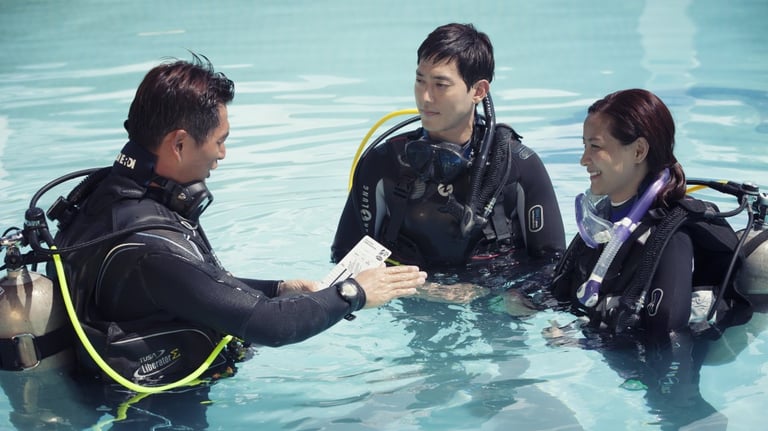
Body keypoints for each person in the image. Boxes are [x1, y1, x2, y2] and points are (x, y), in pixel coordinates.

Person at [43, 54, 426, 388]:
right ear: (178, 144)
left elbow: (184, 286)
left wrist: (278, 288)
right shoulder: (149, 246)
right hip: (152, 412)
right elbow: (269, 327)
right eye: (219, 140)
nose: (222, 154)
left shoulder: (105, 195)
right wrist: (354, 293)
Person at [548, 88, 752, 429]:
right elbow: (562, 292)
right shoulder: (601, 225)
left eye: (595, 147)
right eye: (584, 146)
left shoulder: (672, 237)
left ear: (639, 150)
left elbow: (668, 347)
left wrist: (584, 341)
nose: (583, 160)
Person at [330, 23, 565, 302]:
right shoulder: (383, 164)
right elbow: (345, 258)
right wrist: (426, 292)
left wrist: (497, 296)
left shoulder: (519, 165)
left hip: (495, 308)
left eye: (440, 85)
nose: (425, 97)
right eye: (420, 81)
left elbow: (552, 266)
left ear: (478, 91)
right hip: (412, 305)